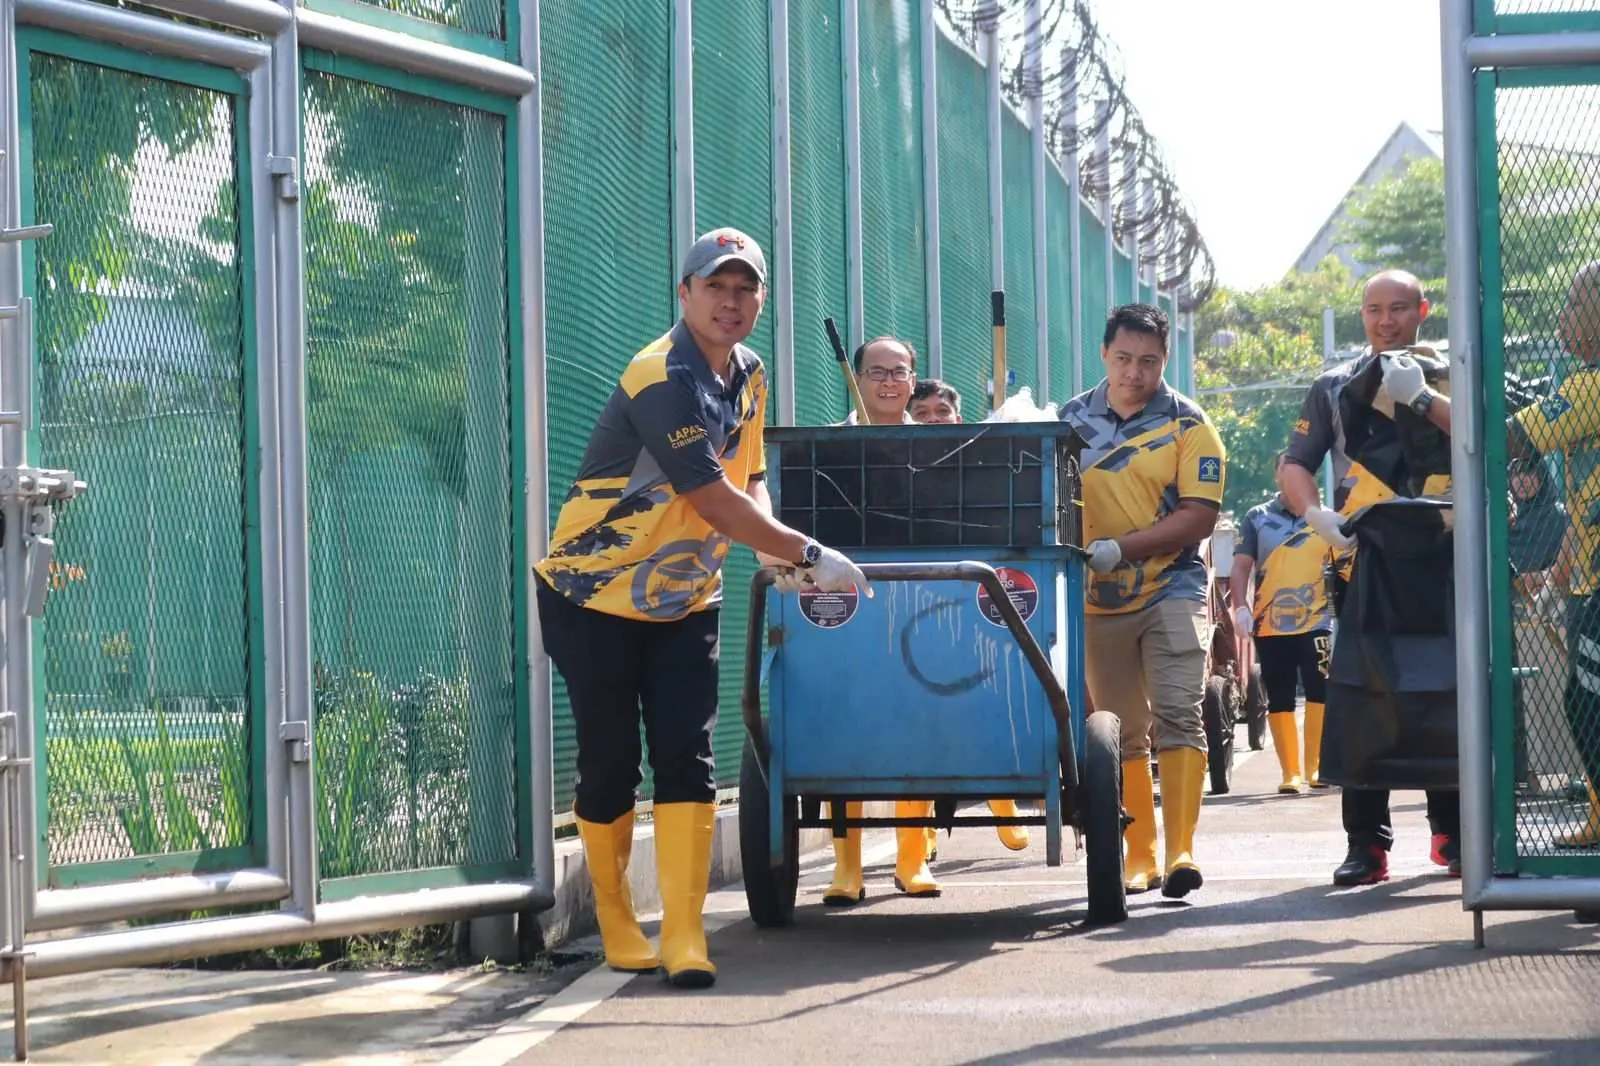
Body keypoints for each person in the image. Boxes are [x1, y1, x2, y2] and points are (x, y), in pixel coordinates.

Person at [535, 228, 868, 988]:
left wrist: (773, 546)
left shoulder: (749, 373)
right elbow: (710, 497)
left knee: (686, 755)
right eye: (714, 286)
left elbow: (747, 478)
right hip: (595, 594)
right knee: (611, 761)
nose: (730, 300)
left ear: (760, 301)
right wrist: (808, 552)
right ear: (683, 294)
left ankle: (684, 933)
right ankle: (619, 919)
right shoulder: (661, 375)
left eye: (745, 288)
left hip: (686, 595)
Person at [1276, 268, 1460, 887]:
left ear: (1422, 310)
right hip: (1365, 555)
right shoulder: (1335, 385)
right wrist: (1315, 514)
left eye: (1400, 309)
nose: (1387, 321)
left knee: (1449, 691)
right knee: (1362, 692)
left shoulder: (1451, 372)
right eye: (1375, 310)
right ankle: (1366, 845)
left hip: (1445, 553)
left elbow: (1492, 439)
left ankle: (1454, 833)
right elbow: (1296, 463)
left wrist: (1421, 399)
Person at [1061, 303, 1227, 899]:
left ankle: (1181, 850)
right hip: (1097, 599)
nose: (1135, 373)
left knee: (1180, 711)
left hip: (1172, 586)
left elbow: (1199, 517)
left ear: (1165, 362)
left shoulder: (1190, 424)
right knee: (1123, 730)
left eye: (1149, 362)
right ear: (1104, 353)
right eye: (1124, 359)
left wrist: (1122, 549)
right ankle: (1141, 854)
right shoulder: (1069, 423)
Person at [1507, 261, 1600, 858]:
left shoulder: (1591, 384)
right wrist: (1556, 572)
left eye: (1572, 305)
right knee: (1582, 698)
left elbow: (1515, 439)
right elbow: (1583, 500)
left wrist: (1440, 402)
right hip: (1589, 575)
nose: (1562, 317)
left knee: (1586, 700)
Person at [1230, 492, 1333, 795]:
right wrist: (1240, 607)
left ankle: (1316, 767)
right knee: (1280, 694)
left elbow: (1344, 565)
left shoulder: (1325, 518)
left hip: (1318, 621)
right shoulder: (1256, 517)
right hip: (1270, 623)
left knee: (1320, 688)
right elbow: (1241, 566)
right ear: (1279, 478)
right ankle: (1291, 772)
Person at [839, 335, 918, 425]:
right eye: (877, 372)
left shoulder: (933, 438)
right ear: (856, 382)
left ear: (913, 383)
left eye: (899, 372)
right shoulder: (827, 437)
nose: (889, 383)